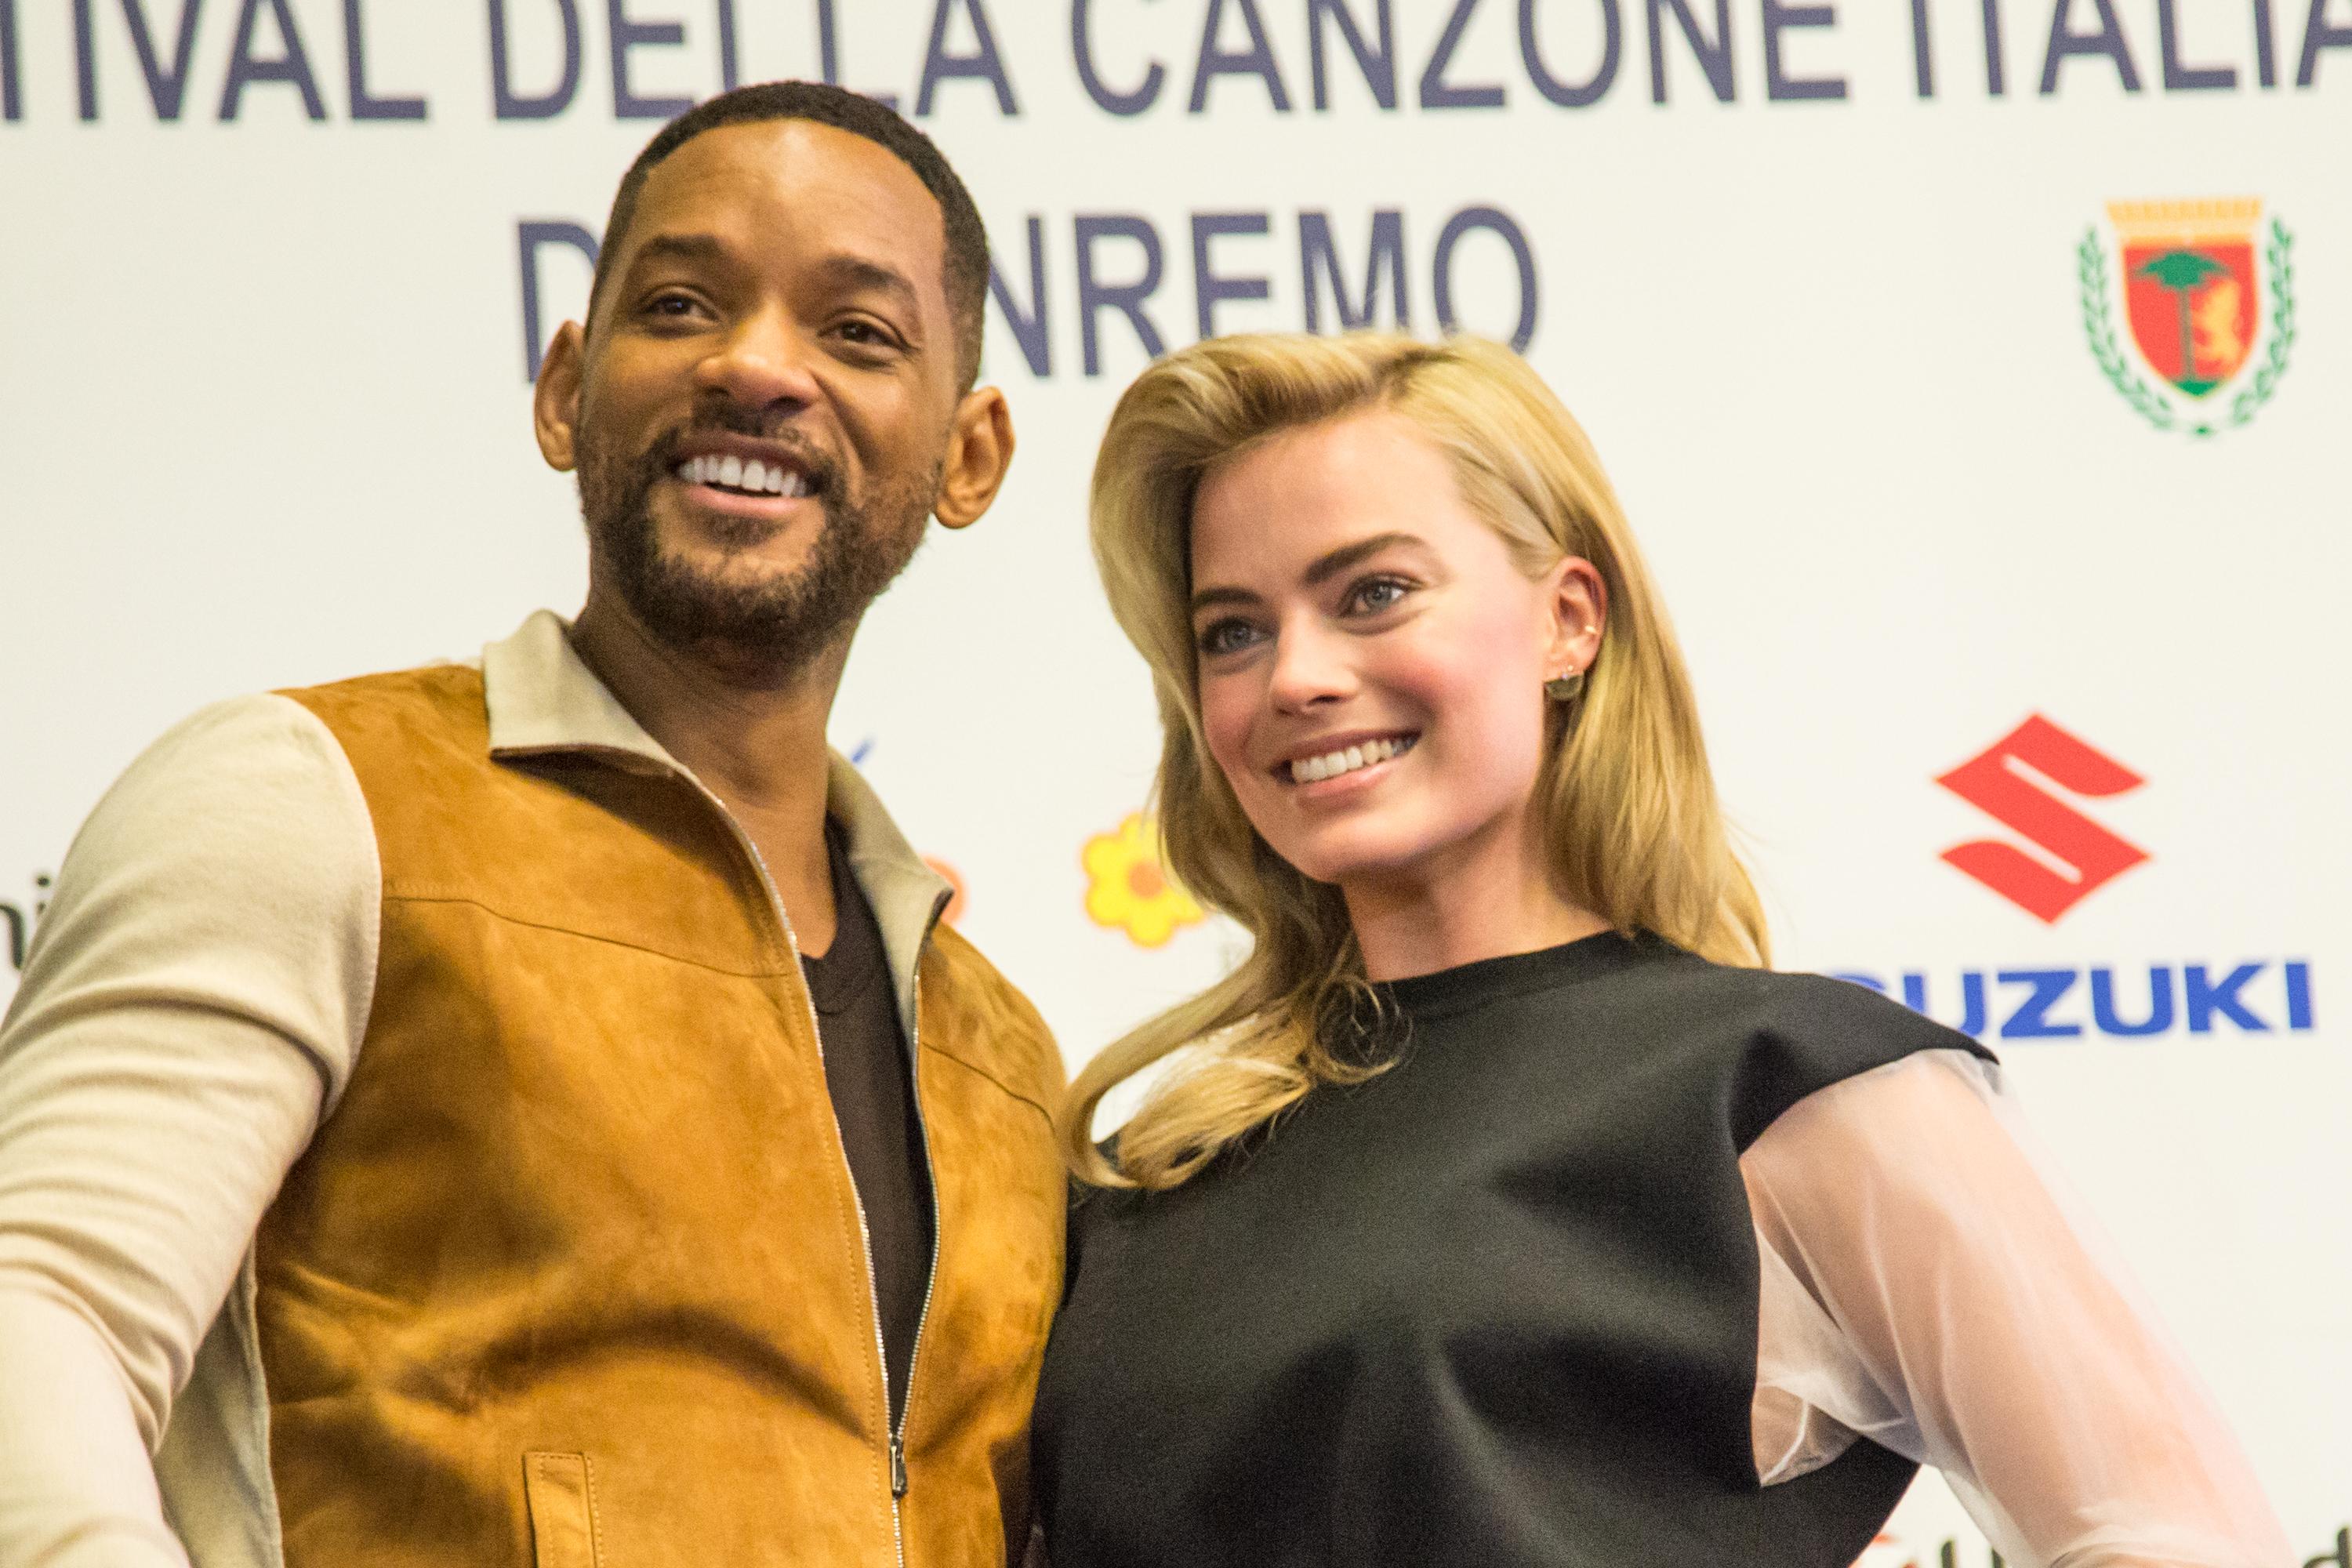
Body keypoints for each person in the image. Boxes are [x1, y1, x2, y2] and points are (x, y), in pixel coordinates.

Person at [0, 83, 1065, 1568]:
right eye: (683, 304)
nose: (757, 365)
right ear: (569, 390)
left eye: (857, 332)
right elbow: (35, 1321)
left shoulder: (1000, 1058)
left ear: (969, 455)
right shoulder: (315, 801)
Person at [1030, 332, 2289, 1566]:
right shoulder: (1155, 1171)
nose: (1297, 675)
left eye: (1374, 594)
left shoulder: (1783, 1087)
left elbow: (2173, 1540)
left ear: (1569, 620)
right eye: (1233, 632)